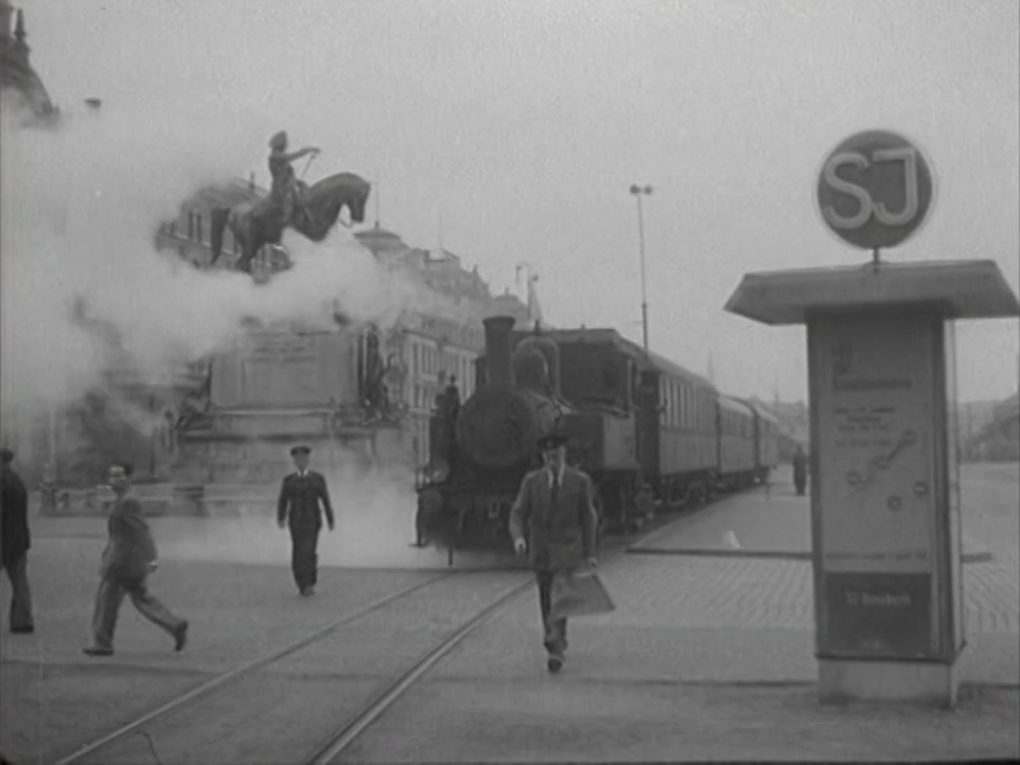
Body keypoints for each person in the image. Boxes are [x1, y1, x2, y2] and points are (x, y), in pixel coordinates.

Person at [509, 433, 598, 674]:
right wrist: (519, 538)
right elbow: (518, 513)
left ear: (564, 454)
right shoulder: (532, 481)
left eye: (556, 454)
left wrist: (590, 553)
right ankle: (555, 636)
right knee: (546, 599)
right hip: (541, 552)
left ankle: (555, 646)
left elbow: (588, 518)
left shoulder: (580, 481)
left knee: (560, 597)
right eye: (548, 455)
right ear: (543, 457)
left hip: (567, 552)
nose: (552, 458)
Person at [84, 462, 188, 657]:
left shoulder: (128, 502)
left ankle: (102, 643)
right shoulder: (123, 500)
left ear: (128, 478)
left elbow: (141, 530)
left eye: (118, 476)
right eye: (111, 476)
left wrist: (152, 557)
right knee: (142, 598)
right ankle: (174, 625)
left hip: (123, 562)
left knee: (106, 602)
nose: (113, 480)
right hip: (130, 561)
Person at [277, 445, 335, 596]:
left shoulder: (317, 479)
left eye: (303, 459)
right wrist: (281, 517)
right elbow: (283, 501)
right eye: (298, 460)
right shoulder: (289, 480)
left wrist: (330, 519)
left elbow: (325, 499)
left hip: (312, 521)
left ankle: (310, 583)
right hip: (296, 521)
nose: (301, 462)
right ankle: (301, 583)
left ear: (308, 461)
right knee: (297, 552)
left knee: (309, 551)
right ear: (294, 462)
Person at [1, 447, 34, 634]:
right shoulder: (17, 480)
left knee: (19, 581)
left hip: (3, 539)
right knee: (20, 583)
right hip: (19, 540)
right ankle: (23, 620)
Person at [267, 130, 320, 227]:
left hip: (287, 184)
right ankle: (284, 223)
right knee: (289, 199)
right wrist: (309, 149)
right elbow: (295, 155)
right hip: (281, 187)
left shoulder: (278, 155)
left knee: (304, 189)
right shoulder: (276, 156)